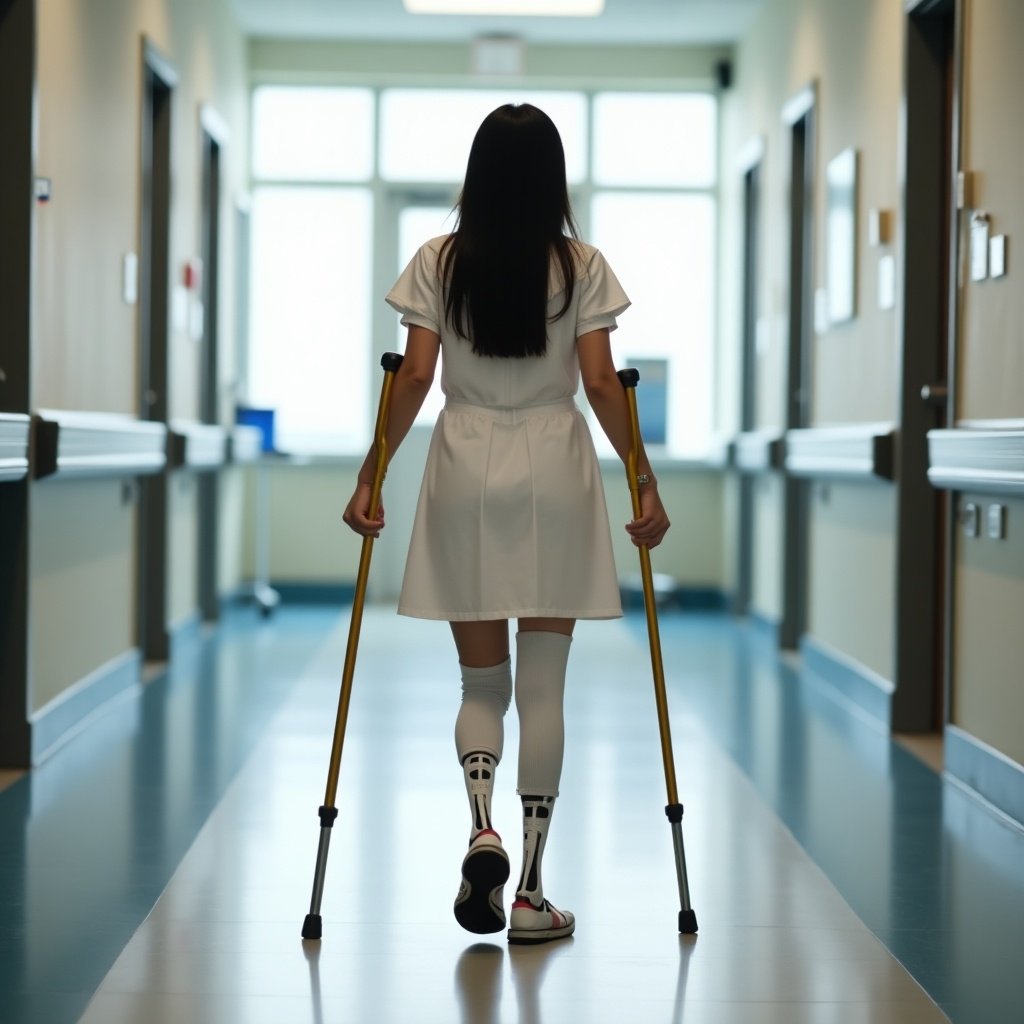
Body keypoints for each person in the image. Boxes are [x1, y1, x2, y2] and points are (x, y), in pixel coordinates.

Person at [343, 103, 669, 945]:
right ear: (554, 177)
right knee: (544, 688)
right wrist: (642, 479)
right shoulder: (583, 263)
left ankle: (481, 822)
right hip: (556, 466)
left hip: (463, 462)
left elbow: (413, 376)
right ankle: (529, 893)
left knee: (480, 684)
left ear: (476, 173)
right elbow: (602, 384)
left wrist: (372, 469)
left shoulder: (437, 261)